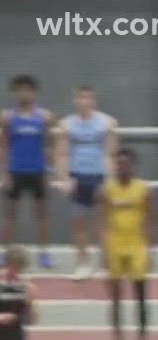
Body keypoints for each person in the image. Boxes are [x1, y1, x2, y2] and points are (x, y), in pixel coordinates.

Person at [53, 85, 118, 280]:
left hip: (99, 176)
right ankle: (83, 264)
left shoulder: (107, 123)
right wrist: (65, 179)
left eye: (89, 98)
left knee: (103, 224)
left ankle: (106, 264)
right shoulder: (66, 124)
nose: (85, 102)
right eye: (81, 98)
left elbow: (111, 154)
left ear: (94, 101)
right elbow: (61, 154)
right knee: (79, 224)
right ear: (76, 101)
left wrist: (110, 179)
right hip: (77, 177)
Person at [102, 147, 155, 340]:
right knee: (115, 300)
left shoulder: (144, 189)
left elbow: (152, 220)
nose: (121, 167)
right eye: (118, 163)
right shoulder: (107, 189)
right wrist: (103, 249)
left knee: (140, 298)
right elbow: (102, 220)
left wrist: (151, 249)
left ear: (133, 166)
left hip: (137, 245)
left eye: (125, 163)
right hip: (115, 245)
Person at [2, 75, 54, 269]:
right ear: (15, 93)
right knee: (10, 215)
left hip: (38, 171)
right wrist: (5, 173)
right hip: (16, 170)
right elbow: (4, 146)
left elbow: (49, 145)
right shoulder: (8, 118)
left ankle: (44, 253)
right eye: (20, 90)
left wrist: (50, 171)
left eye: (27, 90)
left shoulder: (44, 117)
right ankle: (6, 254)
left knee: (42, 214)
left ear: (35, 93)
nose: (24, 93)